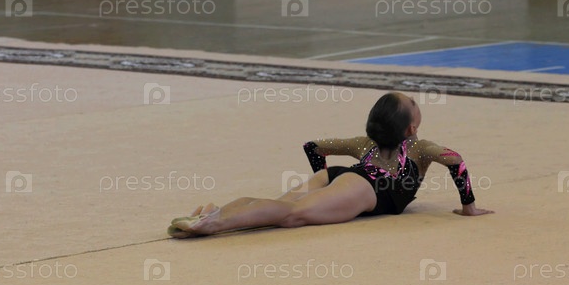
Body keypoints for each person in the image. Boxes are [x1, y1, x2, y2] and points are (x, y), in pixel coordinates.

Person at [169, 92, 493, 238]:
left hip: (342, 179)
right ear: (410, 128)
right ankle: (213, 224)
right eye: (413, 103)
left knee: (281, 207)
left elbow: (313, 146)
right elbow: (456, 161)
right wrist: (469, 207)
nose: (415, 102)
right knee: (291, 216)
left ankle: (214, 212)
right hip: (363, 188)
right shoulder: (420, 148)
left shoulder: (362, 143)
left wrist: (324, 182)